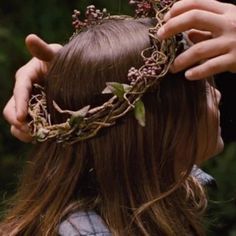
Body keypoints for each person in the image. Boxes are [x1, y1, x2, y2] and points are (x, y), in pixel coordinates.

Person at [0, 4, 223, 235]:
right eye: (203, 89)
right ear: (155, 125)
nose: (217, 95)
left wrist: (81, 79)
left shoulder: (155, 195)